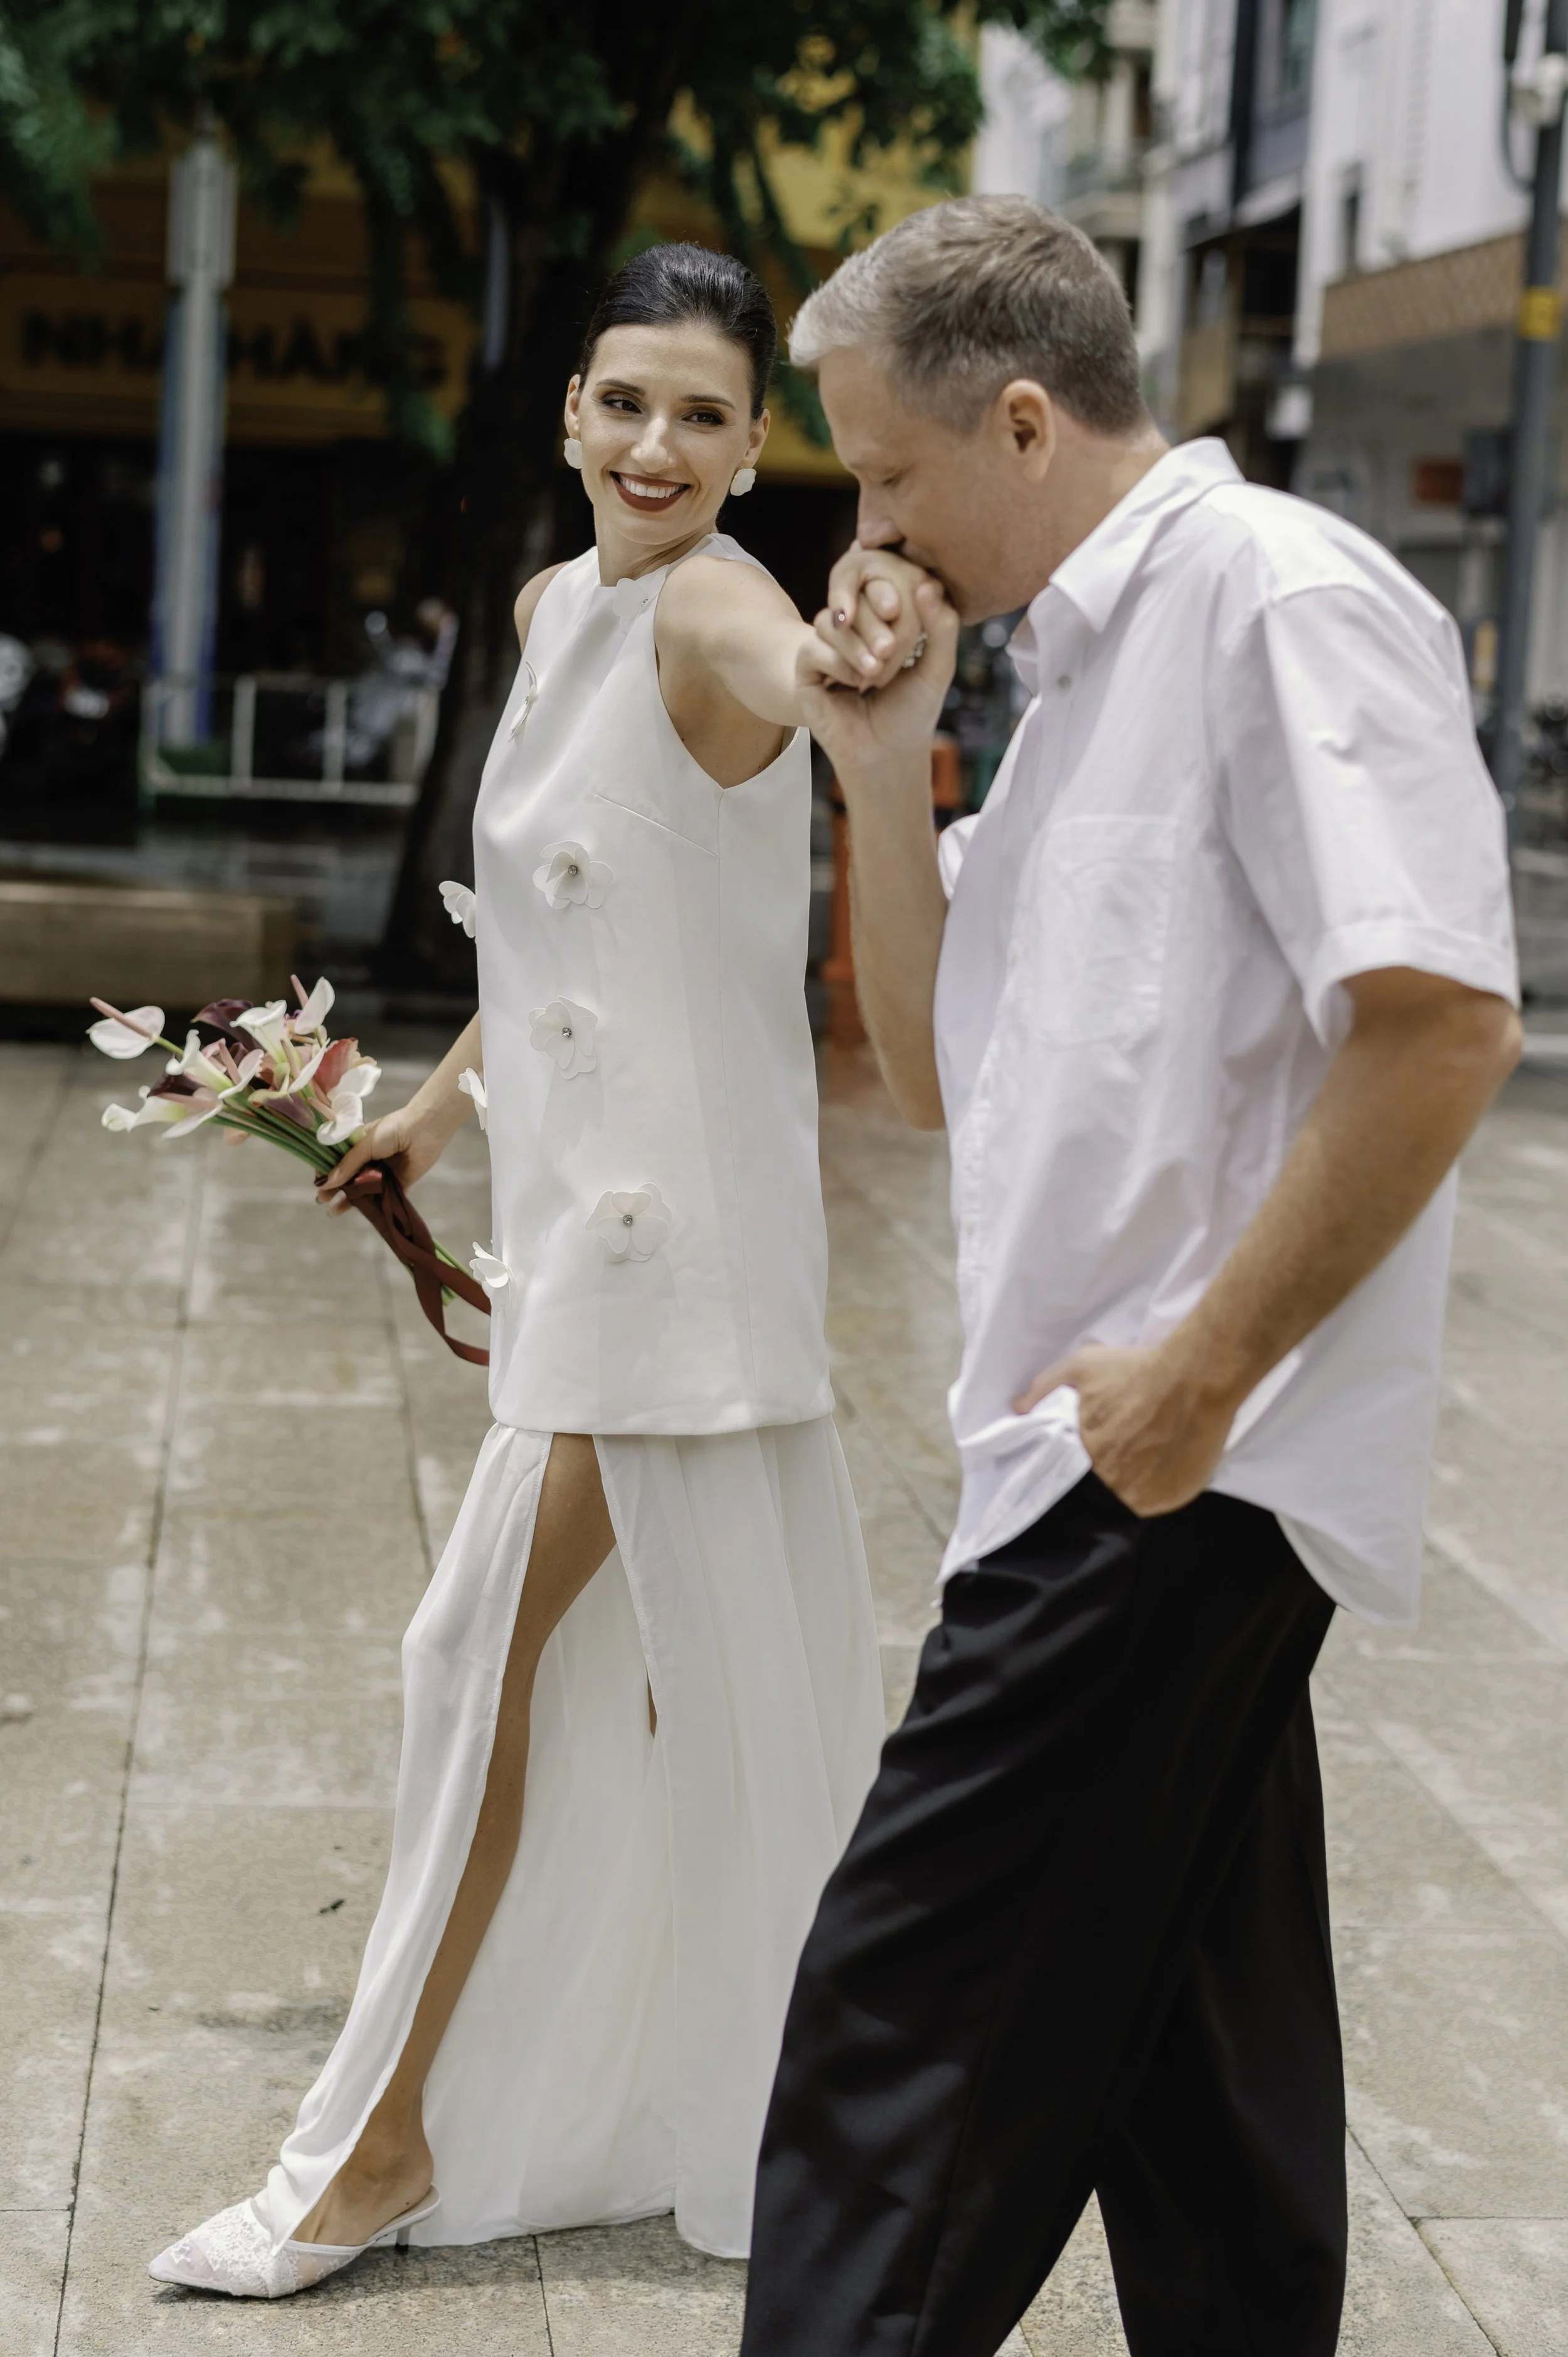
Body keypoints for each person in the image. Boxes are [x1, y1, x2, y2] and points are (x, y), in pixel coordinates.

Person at [739, 195, 1522, 2357]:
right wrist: (877, 762)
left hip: (1164, 1459)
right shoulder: (1073, 671)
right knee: (1205, 2089)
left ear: (1018, 423)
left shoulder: (1274, 599)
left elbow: (1442, 1022)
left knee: (898, 2034)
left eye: (883, 471)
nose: (868, 529)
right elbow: (926, 1070)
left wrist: (1199, 1370)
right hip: (1105, 1446)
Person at [149, 242, 928, 2301]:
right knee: (623, 1693)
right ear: (568, 411)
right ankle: (721, 2099)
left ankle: (375, 2145)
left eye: (703, 414)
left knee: (470, 1660)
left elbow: (798, 676)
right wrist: (431, 1109)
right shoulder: (547, 606)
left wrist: (853, 665)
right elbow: (560, 924)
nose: (657, 444)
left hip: (679, 1257)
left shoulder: (717, 608)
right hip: (583, 1229)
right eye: (624, 401)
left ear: (753, 446)